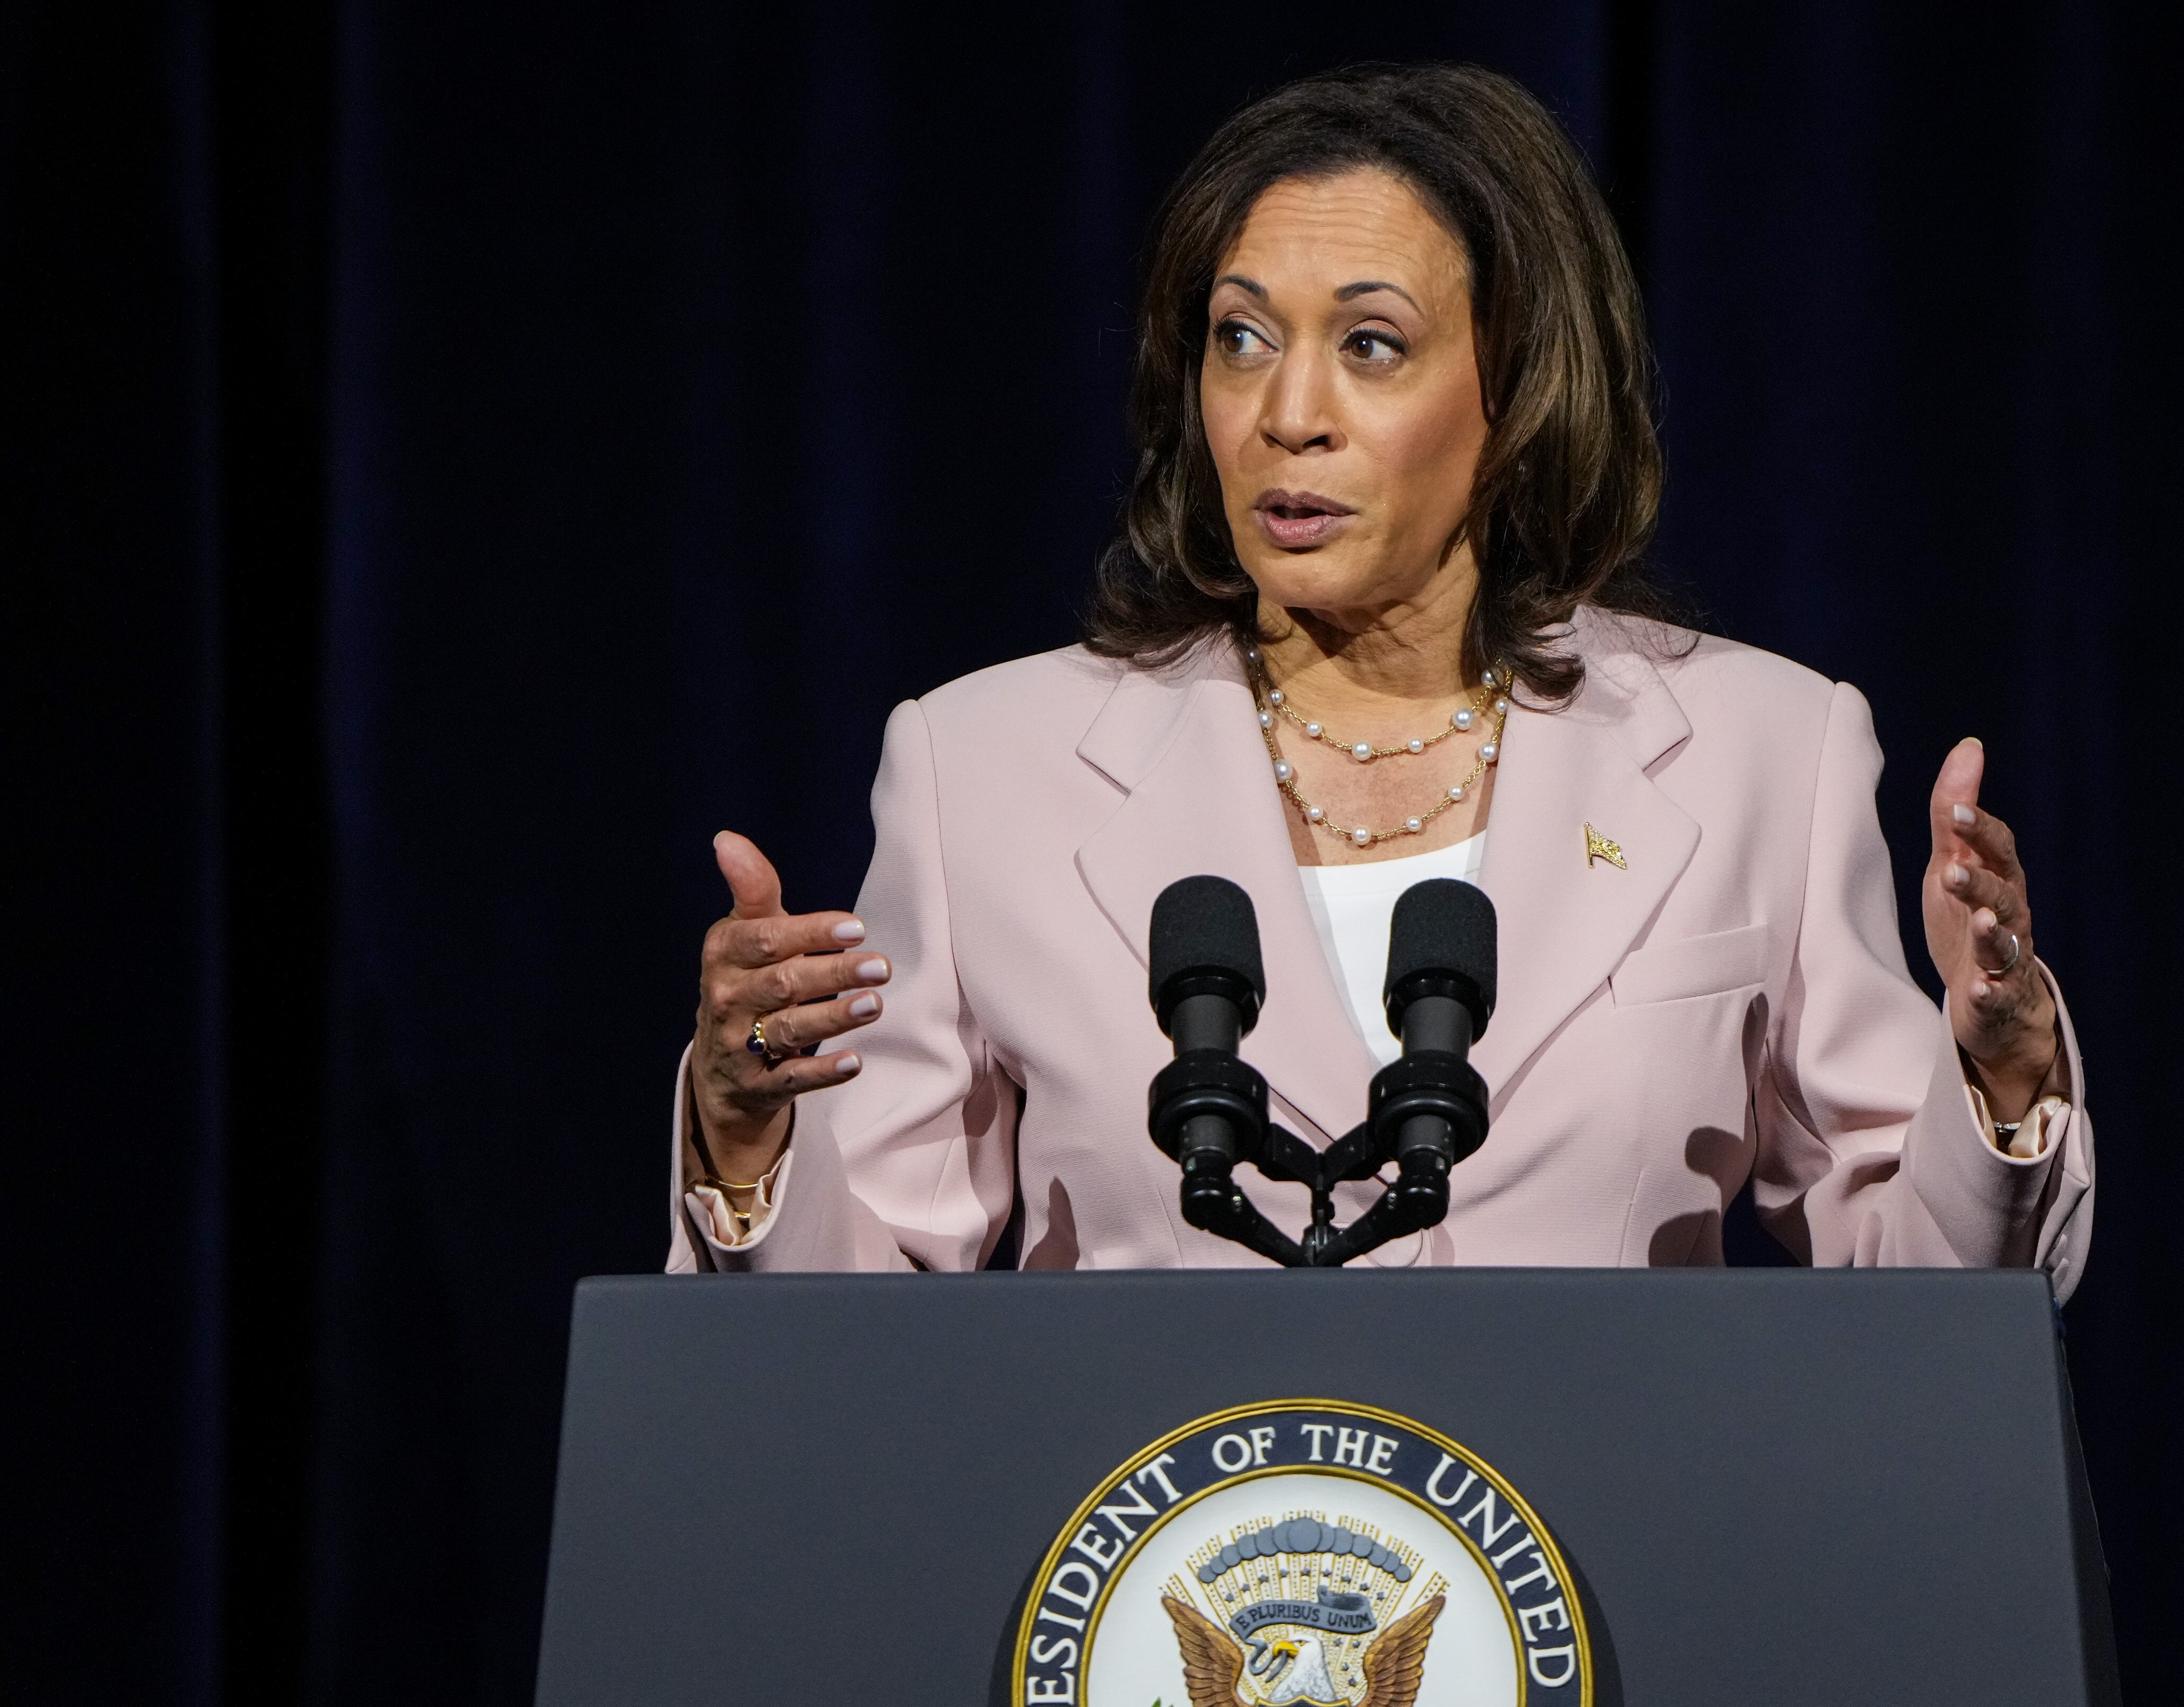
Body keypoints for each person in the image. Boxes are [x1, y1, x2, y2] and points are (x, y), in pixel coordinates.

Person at [667, 64, 2092, 1289]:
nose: (1290, 416)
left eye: (1370, 345)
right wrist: (747, 1137)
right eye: (1241, 340)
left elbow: (1933, 1311)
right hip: (1169, 1590)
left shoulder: (1760, 751)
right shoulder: (983, 767)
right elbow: (845, 1333)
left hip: (1596, 1587)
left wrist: (2001, 1073)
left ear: (1517, 386)